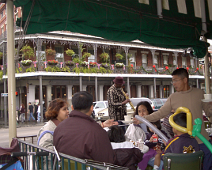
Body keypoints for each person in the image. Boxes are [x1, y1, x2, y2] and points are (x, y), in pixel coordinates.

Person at [134, 68, 212, 170]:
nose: (173, 84)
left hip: (201, 140)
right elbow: (161, 113)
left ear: (185, 80)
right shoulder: (173, 97)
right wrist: (143, 119)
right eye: (172, 81)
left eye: (176, 80)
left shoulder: (199, 93)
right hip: (182, 144)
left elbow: (209, 113)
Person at [53, 91, 114, 163]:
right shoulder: (97, 131)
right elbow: (108, 161)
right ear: (92, 108)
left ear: (72, 107)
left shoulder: (59, 127)